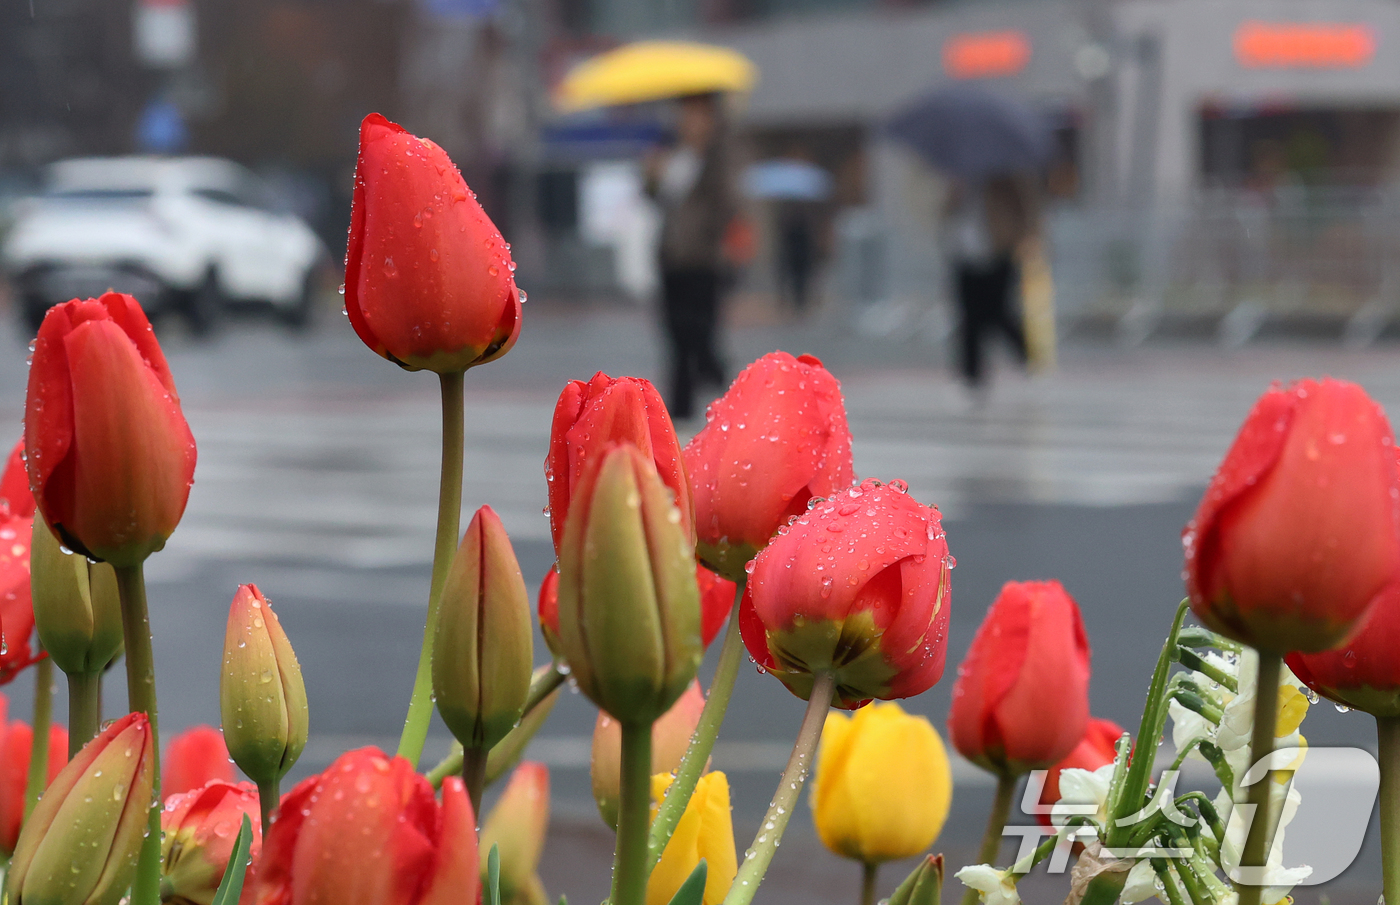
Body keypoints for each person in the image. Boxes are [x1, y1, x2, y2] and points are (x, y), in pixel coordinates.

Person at [645, 93, 738, 420]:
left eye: (696, 115)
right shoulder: (674, 156)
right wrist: (652, 177)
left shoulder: (717, 159)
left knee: (700, 334)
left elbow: (726, 205)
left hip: (703, 261)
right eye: (685, 115)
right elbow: (656, 200)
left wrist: (708, 234)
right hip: (672, 259)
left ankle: (728, 391)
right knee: (675, 335)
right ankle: (681, 407)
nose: (689, 122)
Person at [943, 173, 1037, 387]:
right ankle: (971, 374)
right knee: (969, 318)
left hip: (997, 253)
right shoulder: (957, 184)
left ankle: (1026, 358)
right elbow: (945, 214)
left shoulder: (1004, 181)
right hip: (965, 255)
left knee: (999, 313)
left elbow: (1021, 211)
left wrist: (1021, 238)